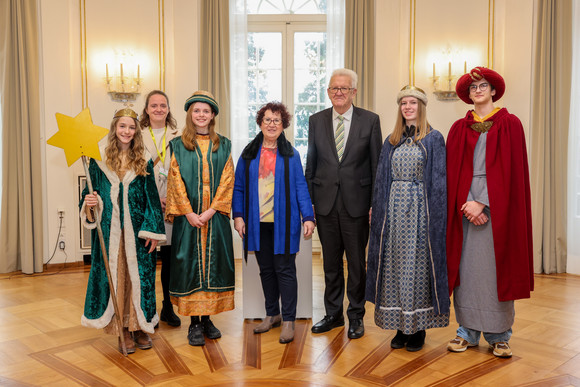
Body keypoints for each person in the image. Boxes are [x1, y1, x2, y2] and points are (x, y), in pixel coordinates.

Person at [446, 67, 533, 358]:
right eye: (473, 88)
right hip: (465, 210)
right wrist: (468, 204)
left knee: (497, 271)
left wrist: (482, 202)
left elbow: (511, 174)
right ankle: (466, 332)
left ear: (493, 90)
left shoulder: (510, 124)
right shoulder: (459, 128)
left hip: (499, 212)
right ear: (468, 95)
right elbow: (452, 174)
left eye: (483, 86)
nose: (478, 90)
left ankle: (499, 335)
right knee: (466, 272)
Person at [366, 86, 449, 352]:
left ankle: (418, 328)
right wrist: (377, 210)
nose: (408, 107)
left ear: (421, 106)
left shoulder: (434, 138)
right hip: (393, 209)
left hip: (419, 212)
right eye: (403, 103)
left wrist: (435, 217)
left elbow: (439, 181)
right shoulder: (391, 140)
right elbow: (381, 180)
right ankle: (400, 326)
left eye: (413, 102)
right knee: (394, 267)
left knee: (417, 268)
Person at [80, 108, 166, 354]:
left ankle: (139, 326)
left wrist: (152, 231)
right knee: (117, 280)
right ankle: (123, 331)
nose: (127, 131)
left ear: (136, 131)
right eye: (122, 127)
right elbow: (90, 195)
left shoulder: (144, 159)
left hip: (138, 233)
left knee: (139, 279)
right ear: (114, 128)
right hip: (112, 233)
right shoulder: (99, 161)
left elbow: (151, 198)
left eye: (131, 127)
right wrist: (90, 205)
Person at [306, 68, 382, 339]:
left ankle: (356, 316)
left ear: (354, 92)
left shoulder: (370, 121)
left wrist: (376, 203)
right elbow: (311, 165)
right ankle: (333, 314)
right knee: (330, 263)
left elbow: (377, 166)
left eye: (344, 88)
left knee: (357, 264)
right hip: (325, 205)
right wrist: (309, 205)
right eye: (333, 88)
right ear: (328, 92)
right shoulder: (316, 120)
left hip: (358, 205)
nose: (338, 93)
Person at [232, 102, 315, 344]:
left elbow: (301, 187)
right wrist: (238, 216)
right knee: (266, 270)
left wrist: (308, 217)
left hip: (284, 223)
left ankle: (289, 319)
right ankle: (272, 315)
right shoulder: (248, 154)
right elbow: (238, 187)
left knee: (285, 271)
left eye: (276, 120)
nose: (271, 124)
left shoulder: (291, 154)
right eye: (267, 119)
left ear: (283, 125)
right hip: (257, 225)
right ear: (260, 123)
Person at [165, 91, 235, 347]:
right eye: (197, 111)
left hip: (214, 219)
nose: (201, 115)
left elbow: (228, 180)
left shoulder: (224, 144)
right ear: (190, 115)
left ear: (213, 115)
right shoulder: (177, 145)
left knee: (214, 266)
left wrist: (211, 211)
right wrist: (189, 212)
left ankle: (207, 319)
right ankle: (194, 323)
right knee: (190, 266)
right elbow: (174, 181)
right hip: (188, 219)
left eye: (206, 111)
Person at [139, 90, 181, 327]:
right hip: (147, 205)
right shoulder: (137, 135)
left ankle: (167, 306)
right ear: (146, 109)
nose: (158, 109)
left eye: (162, 105)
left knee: (169, 261)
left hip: (172, 206)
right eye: (153, 105)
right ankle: (148, 309)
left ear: (168, 108)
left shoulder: (179, 134)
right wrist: (155, 198)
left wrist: (172, 198)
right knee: (146, 260)